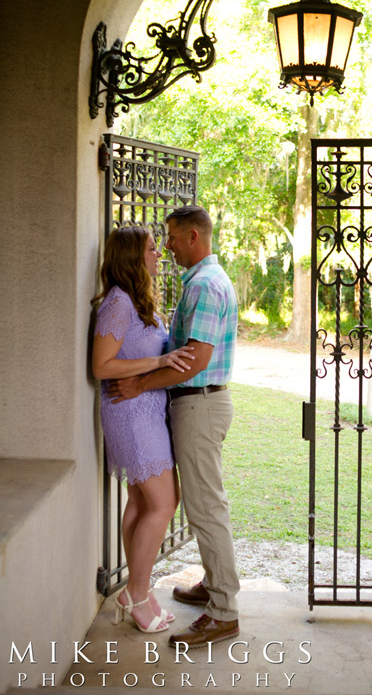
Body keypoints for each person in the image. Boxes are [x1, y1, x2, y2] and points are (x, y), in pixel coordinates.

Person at [108, 205, 240, 649]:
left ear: (193, 238)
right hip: (192, 405)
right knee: (200, 503)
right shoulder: (200, 282)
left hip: (199, 406)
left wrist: (140, 382)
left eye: (170, 238)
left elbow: (194, 361)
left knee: (204, 507)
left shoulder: (204, 285)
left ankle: (223, 611)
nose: (165, 247)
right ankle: (213, 584)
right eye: (158, 242)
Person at [92, 225, 194, 634]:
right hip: (129, 413)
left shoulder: (137, 300)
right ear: (134, 257)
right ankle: (136, 592)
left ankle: (139, 590)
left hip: (145, 411)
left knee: (141, 502)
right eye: (153, 249)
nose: (159, 254)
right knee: (164, 502)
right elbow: (102, 366)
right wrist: (156, 364)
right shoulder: (117, 302)